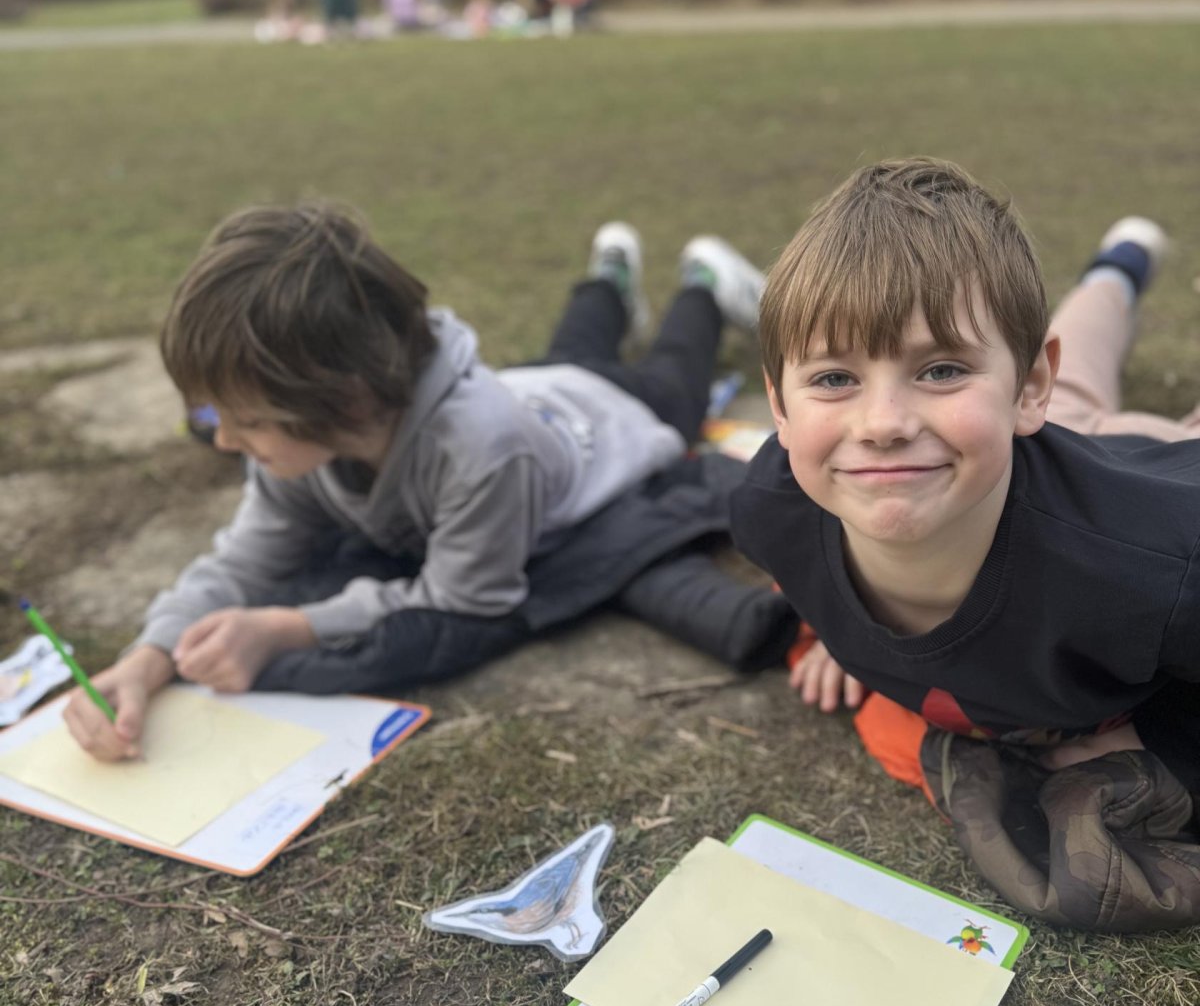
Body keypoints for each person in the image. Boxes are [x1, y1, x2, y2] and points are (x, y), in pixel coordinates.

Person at [65, 207, 777, 761]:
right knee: (572, 347)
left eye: (246, 422)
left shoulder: (483, 451)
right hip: (539, 390)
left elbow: (462, 597)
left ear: (344, 400)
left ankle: (703, 286)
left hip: (614, 419)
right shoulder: (308, 440)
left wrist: (287, 627)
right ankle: (610, 280)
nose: (224, 442)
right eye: (217, 418)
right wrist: (148, 658)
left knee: (674, 377)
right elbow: (243, 561)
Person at [732, 157, 1200, 794]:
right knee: (1077, 393)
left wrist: (1165, 740)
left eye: (941, 369)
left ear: (1029, 386)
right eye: (835, 378)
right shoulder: (770, 508)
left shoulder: (1160, 572)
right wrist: (834, 630)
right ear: (780, 409)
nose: (882, 424)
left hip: (1152, 471)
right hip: (1013, 448)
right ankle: (1119, 265)